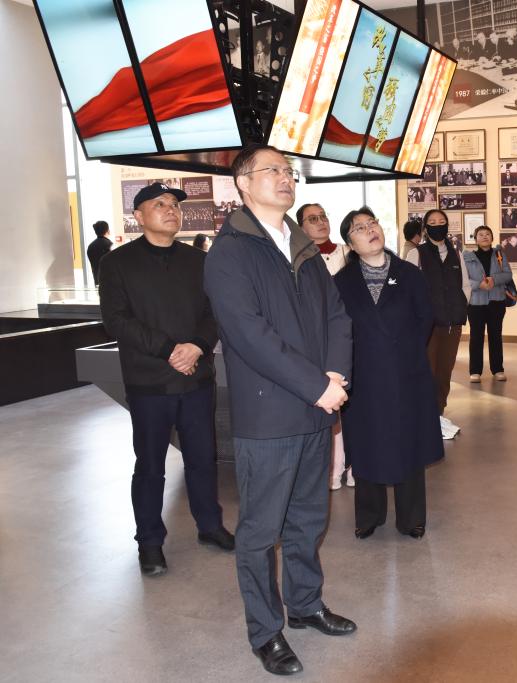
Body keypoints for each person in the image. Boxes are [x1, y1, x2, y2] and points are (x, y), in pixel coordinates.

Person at [204, 145, 355, 676]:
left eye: (289, 171)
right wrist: (316, 386)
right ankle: (265, 631)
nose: (286, 177)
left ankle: (306, 605)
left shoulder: (303, 246)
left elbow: (337, 316)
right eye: (273, 170)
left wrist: (335, 376)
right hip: (269, 416)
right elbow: (249, 334)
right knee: (260, 531)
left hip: (316, 409)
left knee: (308, 519)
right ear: (243, 183)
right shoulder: (230, 252)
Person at [99, 183, 233, 578]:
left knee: (202, 460)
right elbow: (116, 320)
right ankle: (150, 541)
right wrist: (170, 350)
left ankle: (210, 526)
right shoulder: (117, 263)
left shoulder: (198, 260)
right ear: (138, 216)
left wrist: (197, 346)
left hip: (196, 380)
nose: (171, 209)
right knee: (151, 466)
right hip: (149, 383)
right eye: (159, 204)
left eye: (174, 204)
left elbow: (215, 312)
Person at [334, 208, 443, 539]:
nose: (370, 230)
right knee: (367, 443)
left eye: (372, 223)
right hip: (363, 377)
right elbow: (338, 329)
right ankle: (369, 515)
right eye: (359, 228)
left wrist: (401, 351)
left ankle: (412, 517)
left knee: (409, 442)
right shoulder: (342, 282)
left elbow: (425, 318)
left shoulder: (409, 274)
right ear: (350, 243)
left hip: (405, 372)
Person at [297, 203, 353, 490]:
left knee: (353, 407)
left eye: (323, 217)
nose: (320, 222)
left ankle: (354, 464)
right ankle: (333, 467)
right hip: (316, 346)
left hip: (349, 340)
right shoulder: (298, 259)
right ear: (301, 227)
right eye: (312, 219)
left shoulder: (348, 253)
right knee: (329, 408)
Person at [405, 208, 470, 440]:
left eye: (441, 221)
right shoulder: (416, 254)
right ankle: (425, 415)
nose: (437, 225)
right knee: (427, 371)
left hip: (452, 324)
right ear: (425, 228)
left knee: (444, 372)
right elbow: (408, 288)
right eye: (432, 222)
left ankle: (439, 413)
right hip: (427, 326)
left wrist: (460, 306)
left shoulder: (456, 254)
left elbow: (465, 285)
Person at [463, 226, 512, 383]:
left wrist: (494, 280)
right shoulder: (467, 257)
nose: (484, 237)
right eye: (481, 234)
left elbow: (508, 274)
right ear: (475, 239)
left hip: (497, 301)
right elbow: (463, 279)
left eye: (487, 234)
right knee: (476, 337)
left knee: (495, 336)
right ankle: (475, 371)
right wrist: (479, 284)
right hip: (476, 303)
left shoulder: (499, 254)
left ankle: (497, 369)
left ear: (492, 238)